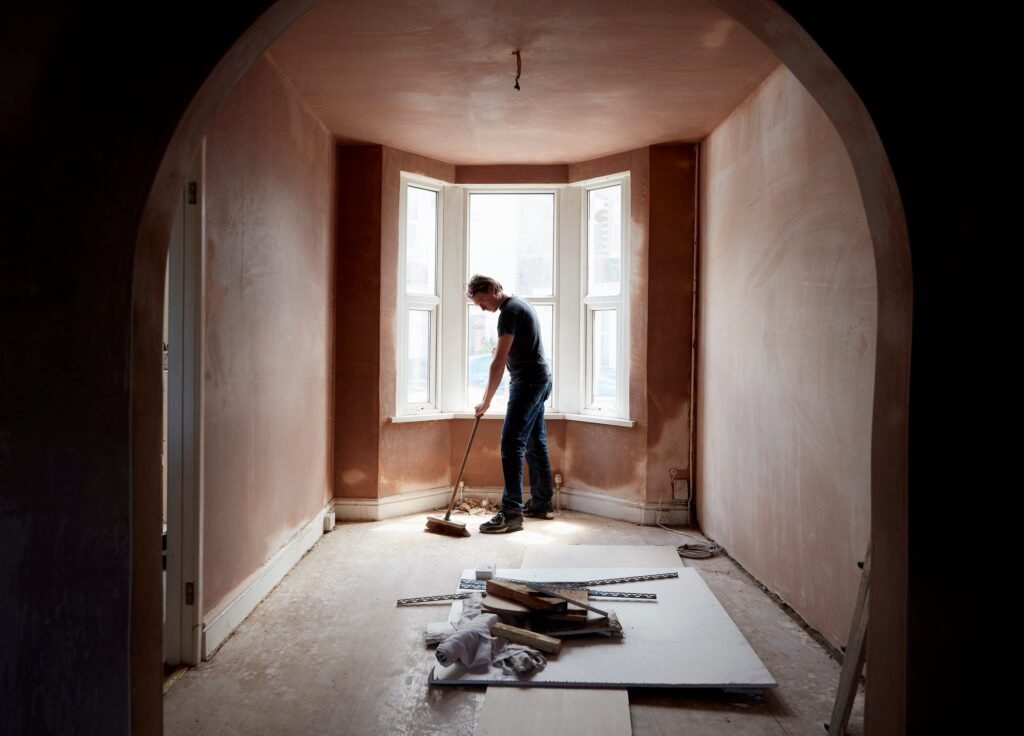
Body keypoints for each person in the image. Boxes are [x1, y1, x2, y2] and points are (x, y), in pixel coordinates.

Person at [467, 274, 554, 533]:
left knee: (511, 445)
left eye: (482, 301)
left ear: (493, 289)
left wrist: (486, 401)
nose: (482, 307)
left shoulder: (509, 312)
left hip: (527, 383)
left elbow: (497, 363)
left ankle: (512, 513)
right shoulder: (519, 305)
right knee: (534, 443)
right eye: (478, 304)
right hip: (540, 379)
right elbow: (511, 350)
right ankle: (541, 503)